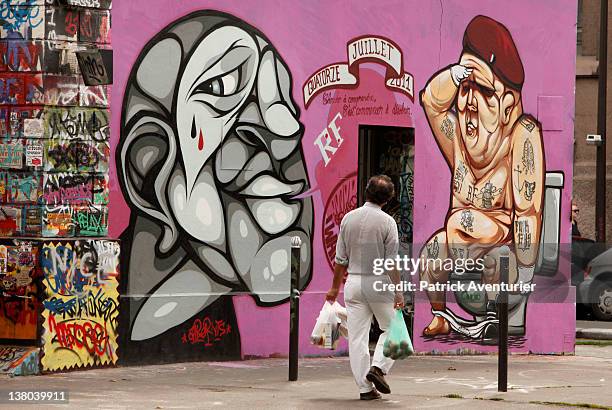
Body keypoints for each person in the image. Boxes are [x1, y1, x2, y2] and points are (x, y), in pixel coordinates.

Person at [419, 15, 545, 344]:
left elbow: (528, 215)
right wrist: (453, 75)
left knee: (493, 254)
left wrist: (525, 270)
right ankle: (441, 316)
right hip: (461, 243)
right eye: (465, 88)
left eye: (484, 92)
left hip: (501, 250)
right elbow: (431, 102)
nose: (470, 102)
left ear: (507, 105)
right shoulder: (458, 138)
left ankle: (495, 317)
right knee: (432, 253)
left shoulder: (521, 135)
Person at [326, 175, 404, 401]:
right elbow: (390, 262)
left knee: (357, 338)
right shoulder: (388, 222)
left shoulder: (348, 219)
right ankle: (378, 368)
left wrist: (333, 289)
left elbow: (341, 259)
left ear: (366, 192)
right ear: (388, 199)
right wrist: (398, 291)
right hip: (378, 282)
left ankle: (365, 389)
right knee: (394, 329)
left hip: (354, 283)